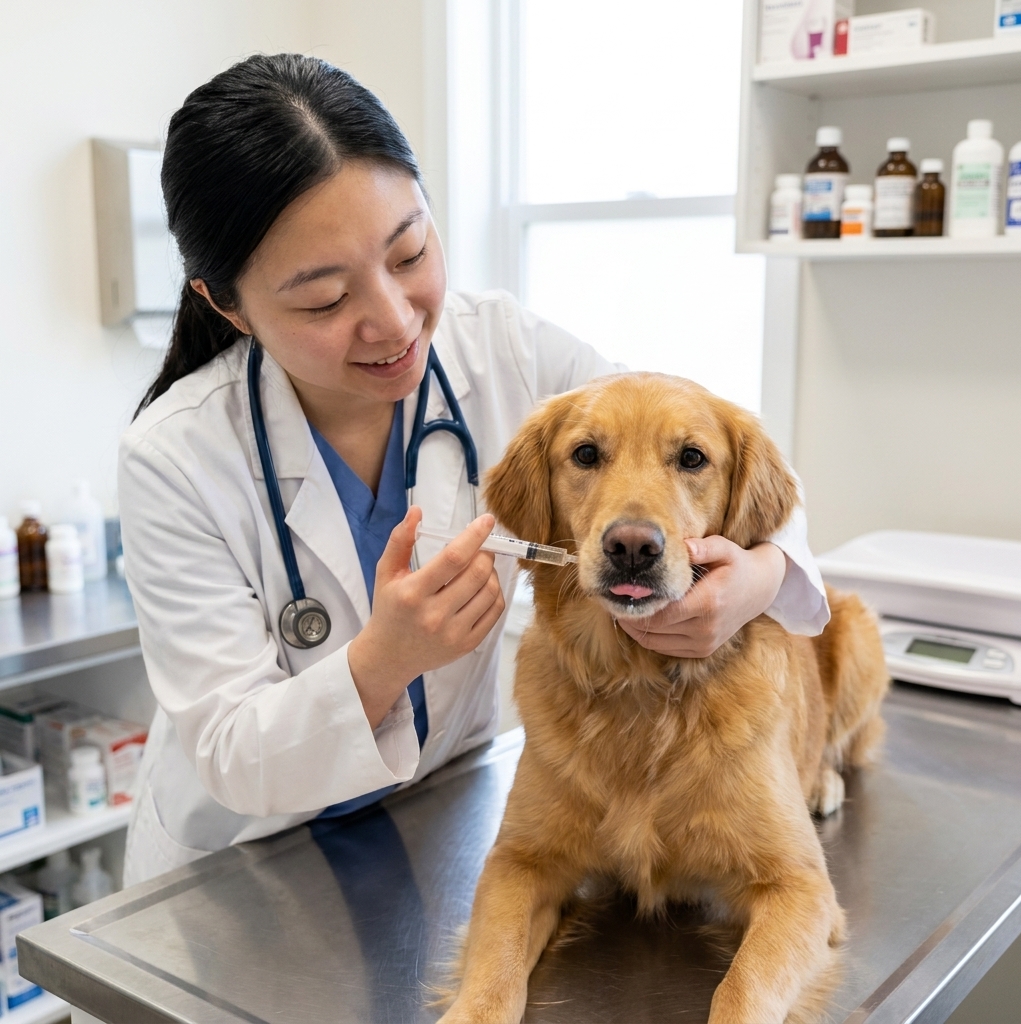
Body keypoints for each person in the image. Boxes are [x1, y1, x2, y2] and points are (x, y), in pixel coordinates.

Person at [119, 53, 829, 886]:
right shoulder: (175, 456)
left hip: (433, 816)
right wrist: (386, 658)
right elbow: (229, 752)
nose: (392, 321)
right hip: (244, 861)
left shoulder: (507, 351)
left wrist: (757, 578)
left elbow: (723, 463)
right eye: (323, 300)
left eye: (409, 253)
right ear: (225, 304)